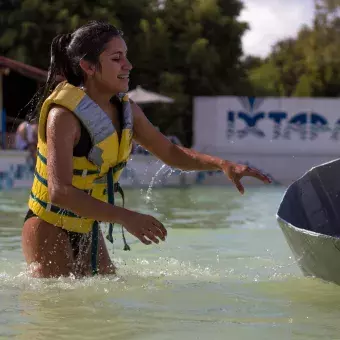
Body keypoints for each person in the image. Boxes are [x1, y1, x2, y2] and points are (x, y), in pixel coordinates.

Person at [22, 21, 271, 279]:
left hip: (87, 229)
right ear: (88, 66)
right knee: (56, 311)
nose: (128, 65)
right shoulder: (63, 116)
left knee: (101, 309)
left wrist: (221, 164)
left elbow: (172, 153)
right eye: (117, 58)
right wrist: (127, 217)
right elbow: (59, 192)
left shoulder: (129, 112)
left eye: (126, 57)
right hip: (49, 226)